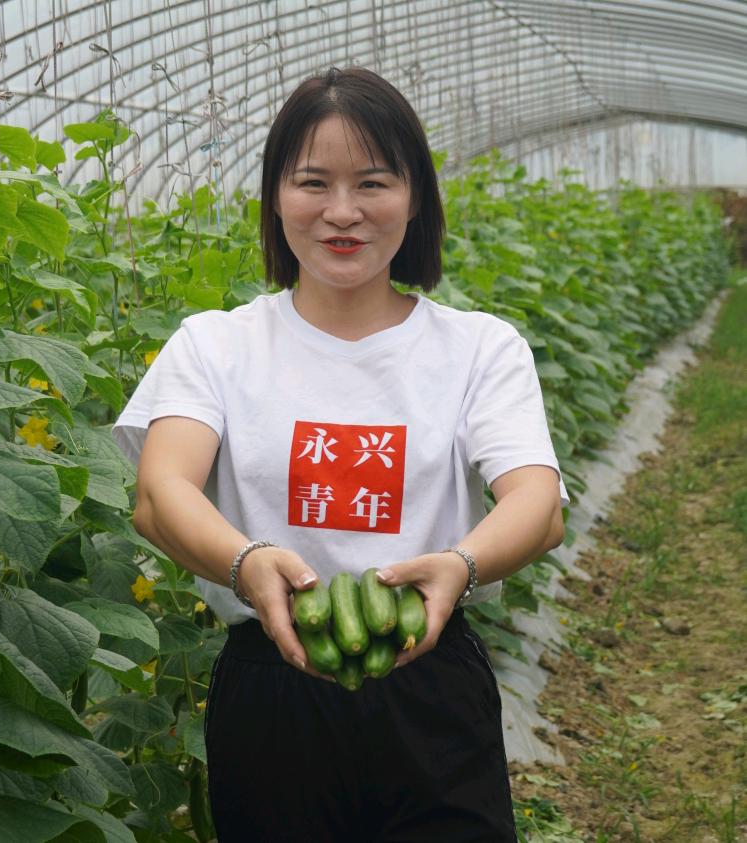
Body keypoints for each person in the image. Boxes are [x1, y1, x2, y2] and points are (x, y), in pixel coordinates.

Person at [112, 66, 568, 843]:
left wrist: (459, 563)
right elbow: (161, 492)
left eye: (373, 182)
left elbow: (537, 502)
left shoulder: (477, 347)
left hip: (429, 681)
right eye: (312, 182)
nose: (342, 211)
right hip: (272, 685)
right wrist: (246, 561)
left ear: (415, 196)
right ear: (274, 197)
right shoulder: (216, 345)